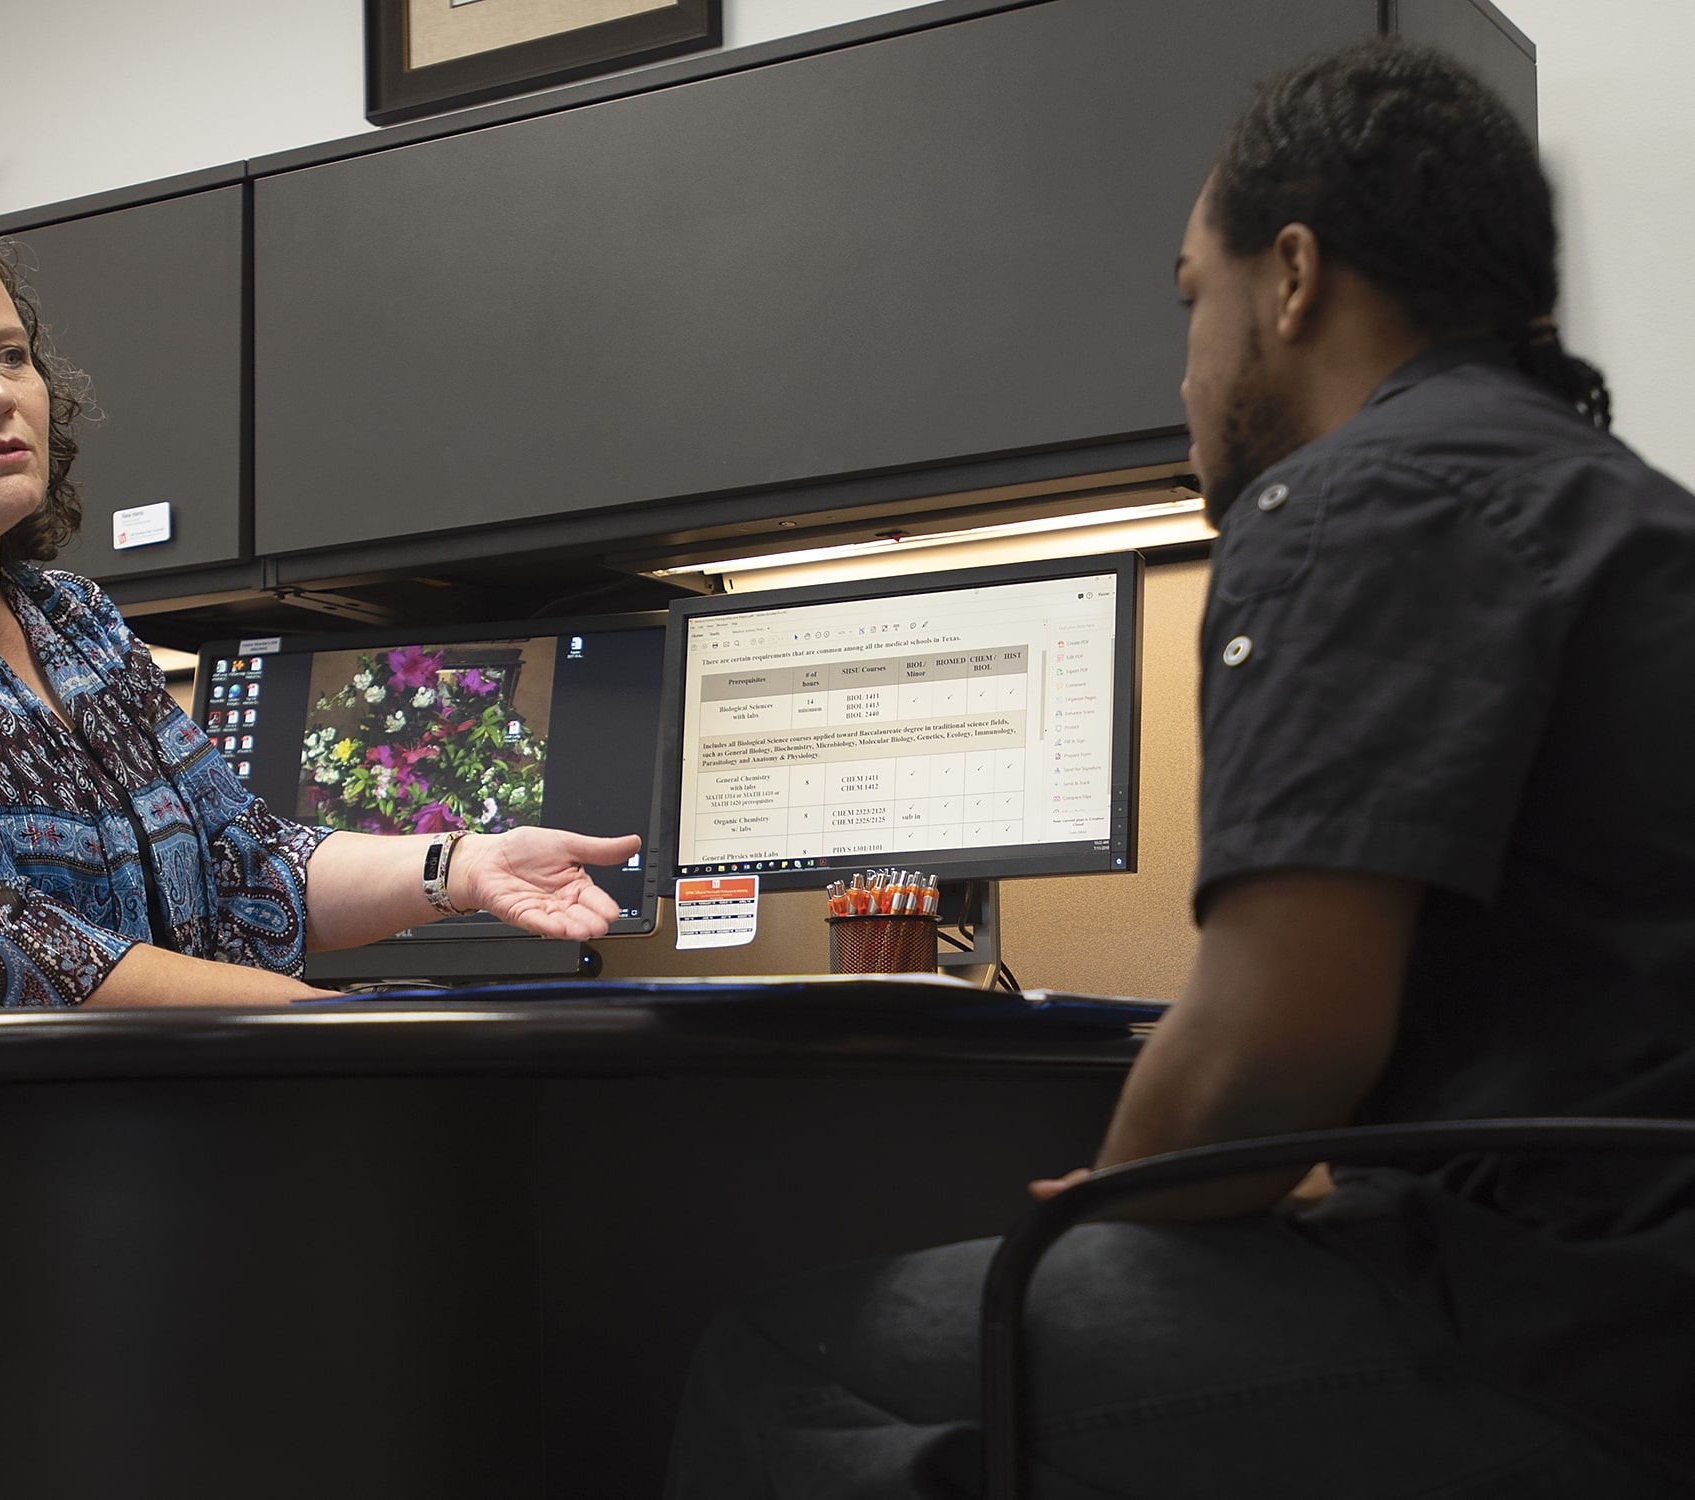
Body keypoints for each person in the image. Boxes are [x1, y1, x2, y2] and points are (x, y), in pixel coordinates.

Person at [666, 40, 1695, 1500]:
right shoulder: (1625, 509)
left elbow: (1271, 1046)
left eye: (1190, 301)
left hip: (1574, 1332)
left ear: (1292, 278)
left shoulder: (1359, 496)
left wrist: (1100, 1220)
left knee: (793, 1355)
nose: (1187, 370)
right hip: (1632, 1278)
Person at [0, 206, 638, 1371]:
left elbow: (248, 869)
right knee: (321, 1279)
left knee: (481, 1239)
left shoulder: (72, 623)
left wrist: (460, 867)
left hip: (60, 1145)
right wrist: (329, 1029)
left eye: (11, 355)